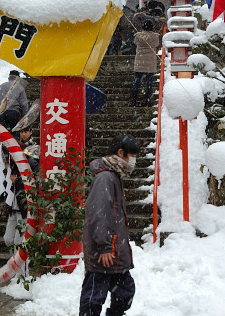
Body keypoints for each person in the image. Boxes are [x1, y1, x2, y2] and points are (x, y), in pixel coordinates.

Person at [79, 134, 139, 316]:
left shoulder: (114, 176)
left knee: (125, 290)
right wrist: (104, 246)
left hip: (115, 251)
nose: (134, 161)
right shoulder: (106, 177)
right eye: (132, 156)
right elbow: (99, 213)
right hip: (105, 251)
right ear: (121, 153)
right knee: (94, 296)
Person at [3, 126, 40, 277]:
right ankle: (15, 268)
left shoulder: (31, 162)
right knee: (8, 239)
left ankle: (21, 274)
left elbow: (34, 181)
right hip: (13, 206)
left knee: (20, 242)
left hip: (24, 207)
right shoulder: (12, 165)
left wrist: (17, 180)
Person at [129, 19, 160, 107]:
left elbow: (135, 42)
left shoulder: (138, 36)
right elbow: (157, 44)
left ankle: (132, 100)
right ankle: (147, 100)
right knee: (149, 81)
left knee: (137, 80)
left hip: (140, 60)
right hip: (150, 61)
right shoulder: (155, 37)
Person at [0, 70, 29, 135]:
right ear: (18, 78)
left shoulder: (1, 86)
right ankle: (14, 143)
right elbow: (24, 103)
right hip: (13, 112)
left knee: (0, 133)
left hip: (0, 112)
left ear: (9, 78)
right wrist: (24, 116)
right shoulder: (20, 87)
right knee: (14, 131)